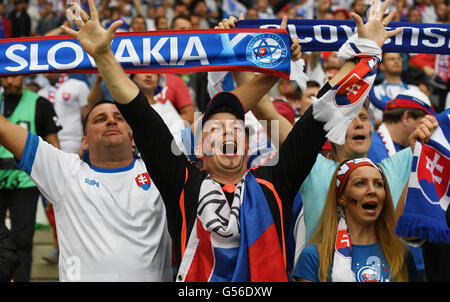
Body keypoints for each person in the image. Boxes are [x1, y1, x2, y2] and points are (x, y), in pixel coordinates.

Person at [62, 0, 401, 281]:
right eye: (215, 130)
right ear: (197, 148)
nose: (227, 133)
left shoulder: (275, 182)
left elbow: (318, 116)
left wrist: (367, 50)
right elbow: (141, 116)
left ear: (247, 141)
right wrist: (104, 58)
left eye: (235, 128)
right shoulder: (182, 183)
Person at [0, 99, 173, 281]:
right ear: (85, 142)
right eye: (100, 119)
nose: (111, 121)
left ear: (133, 138)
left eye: (119, 118)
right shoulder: (64, 172)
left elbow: (203, 127)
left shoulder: (160, 169)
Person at [293, 158, 419, 282]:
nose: (372, 190)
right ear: (341, 197)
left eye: (378, 184)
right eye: (360, 183)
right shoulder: (314, 256)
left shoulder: (401, 255)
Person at [0, 74, 61, 281]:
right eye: (5, 78)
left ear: (24, 76)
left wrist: (54, 177)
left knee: (22, 239)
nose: (9, 82)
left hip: (25, 184)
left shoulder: (39, 103)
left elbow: (53, 142)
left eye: (14, 77)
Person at [369, 52, 419, 124]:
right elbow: (368, 119)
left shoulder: (414, 90)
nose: (396, 61)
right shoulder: (374, 92)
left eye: (399, 58)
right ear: (382, 66)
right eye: (392, 59)